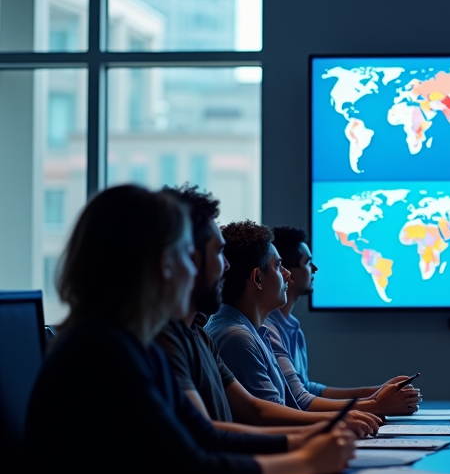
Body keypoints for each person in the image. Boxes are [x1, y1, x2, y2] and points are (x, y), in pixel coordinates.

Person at [23, 186, 355, 474]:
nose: (196, 269)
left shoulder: (135, 345)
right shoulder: (103, 353)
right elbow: (195, 472)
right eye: (186, 255)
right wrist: (307, 461)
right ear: (161, 264)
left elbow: (206, 435)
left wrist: (308, 440)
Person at [157, 186, 380, 439]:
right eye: (278, 265)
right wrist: (315, 442)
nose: (226, 266)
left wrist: (332, 426)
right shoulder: (226, 336)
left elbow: (256, 409)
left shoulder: (201, 335)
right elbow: (214, 433)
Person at [205, 221, 416, 419]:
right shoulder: (237, 336)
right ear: (258, 278)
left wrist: (376, 398)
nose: (287, 274)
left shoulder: (254, 331)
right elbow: (272, 415)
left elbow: (291, 397)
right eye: (279, 266)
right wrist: (372, 406)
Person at [267, 225, 420, 417]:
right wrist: (375, 404)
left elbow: (304, 388)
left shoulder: (292, 325)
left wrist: (378, 392)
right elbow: (299, 399)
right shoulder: (268, 328)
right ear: (286, 271)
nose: (314, 268)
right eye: (307, 262)